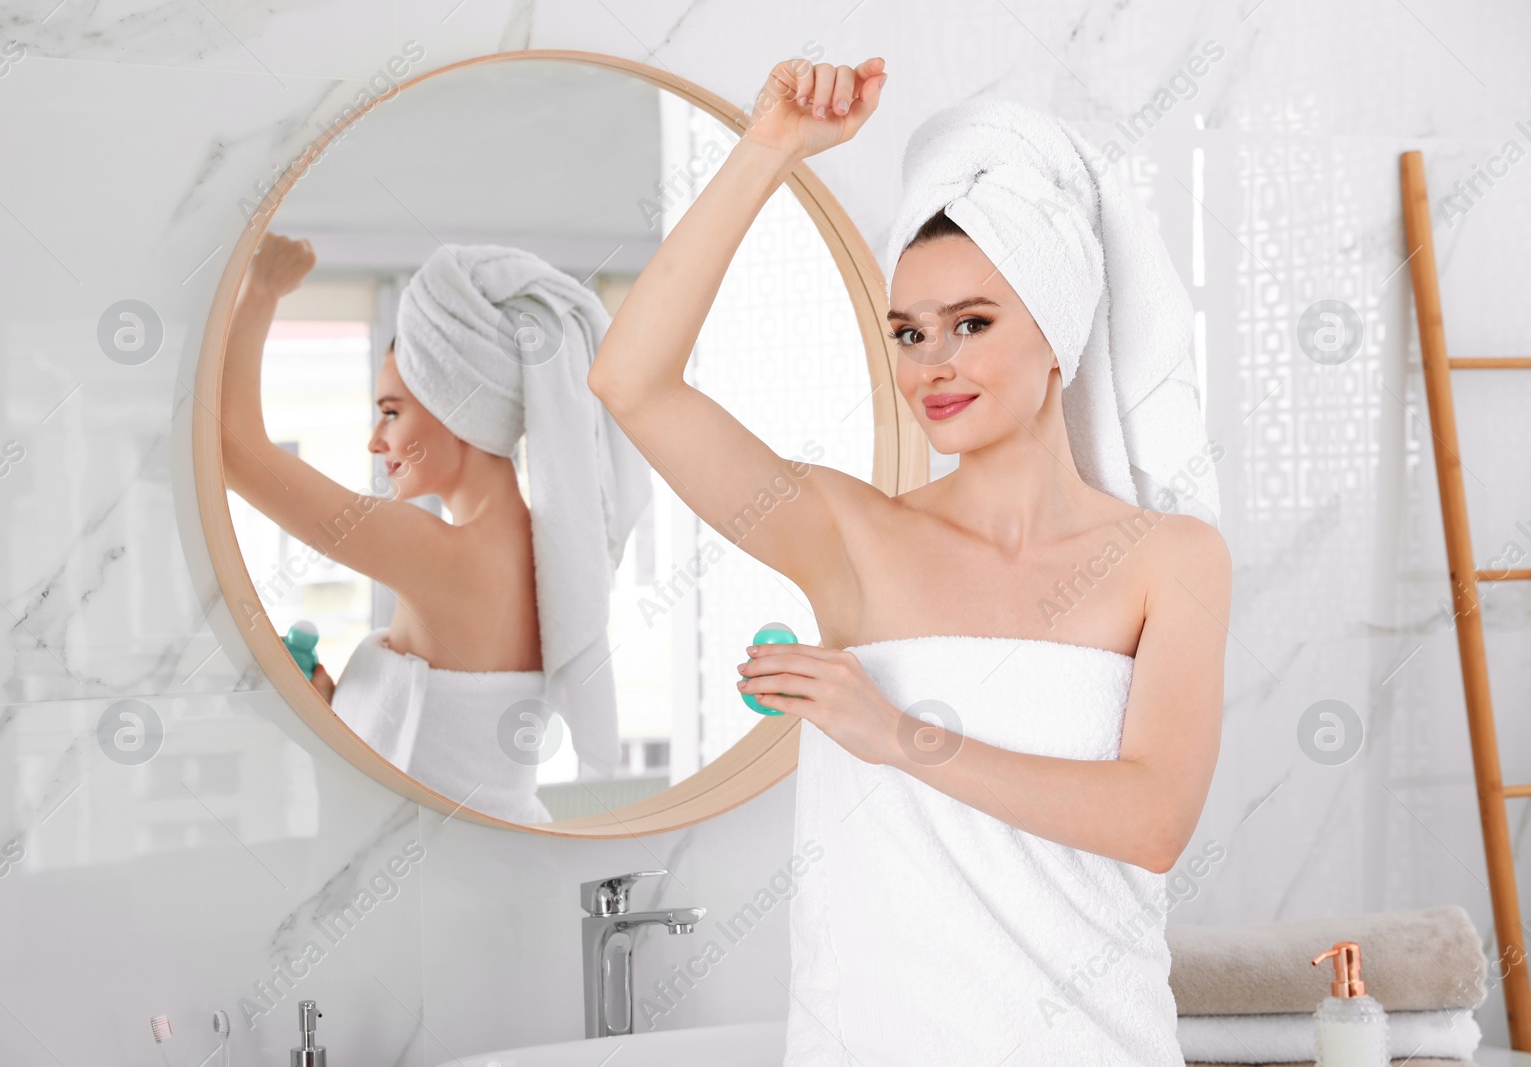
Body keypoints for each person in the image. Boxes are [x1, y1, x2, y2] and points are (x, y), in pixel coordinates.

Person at [587, 57, 1230, 1065]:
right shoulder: (851, 536)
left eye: (972, 323)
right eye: (907, 331)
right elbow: (630, 382)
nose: (931, 362)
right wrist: (769, 151)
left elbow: (1151, 820)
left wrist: (896, 734)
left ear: (1057, 329)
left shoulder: (1168, 559)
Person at [222, 236, 649, 824]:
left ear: (458, 406)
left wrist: (262, 290)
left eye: (392, 411)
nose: (377, 440)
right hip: (495, 865)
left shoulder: (438, 552)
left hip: (442, 884)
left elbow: (232, 448)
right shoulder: (551, 560)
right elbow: (449, 746)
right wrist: (331, 704)